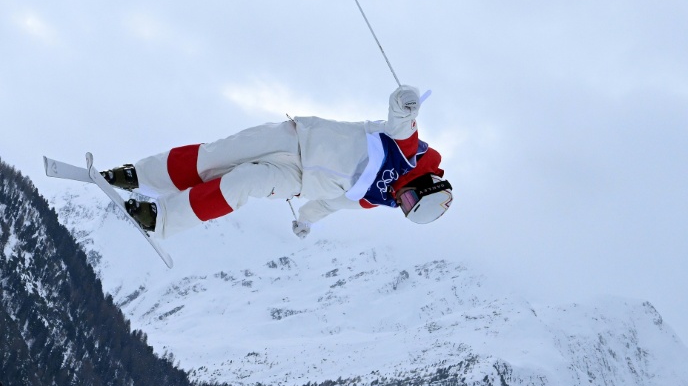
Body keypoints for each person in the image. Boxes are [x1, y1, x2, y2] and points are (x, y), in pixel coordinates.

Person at [101, 85, 453, 239]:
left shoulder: (376, 198)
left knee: (243, 183)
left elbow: (330, 205)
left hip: (295, 179)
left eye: (403, 209)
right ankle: (141, 175)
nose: (399, 201)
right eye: (408, 200)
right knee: (216, 156)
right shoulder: (406, 153)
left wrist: (305, 221)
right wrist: (406, 101)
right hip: (296, 137)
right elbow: (400, 118)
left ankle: (160, 220)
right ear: (423, 185)